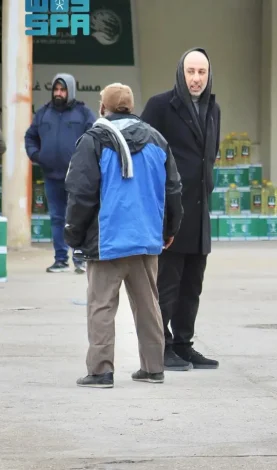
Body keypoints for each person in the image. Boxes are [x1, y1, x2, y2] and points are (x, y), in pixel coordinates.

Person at [64, 83, 183, 388]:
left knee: (101, 305)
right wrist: (169, 229)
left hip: (107, 242)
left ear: (103, 107)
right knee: (148, 305)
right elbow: (172, 189)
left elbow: (81, 193)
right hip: (145, 240)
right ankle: (153, 368)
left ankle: (101, 371)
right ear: (131, 107)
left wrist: (74, 234)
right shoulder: (157, 139)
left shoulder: (94, 139)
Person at [141, 48, 221, 371]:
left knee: (192, 285)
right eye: (191, 71)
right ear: (180, 72)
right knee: (167, 284)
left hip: (200, 211)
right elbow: (145, 156)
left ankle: (183, 344)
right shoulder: (160, 106)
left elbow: (209, 155)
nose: (196, 78)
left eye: (202, 72)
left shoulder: (213, 109)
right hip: (170, 210)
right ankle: (161, 346)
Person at [25, 73, 95, 274]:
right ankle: (60, 260)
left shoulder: (83, 113)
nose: (58, 93)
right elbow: (30, 137)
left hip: (76, 177)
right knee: (57, 218)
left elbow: (94, 137)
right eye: (56, 89)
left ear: (70, 91)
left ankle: (79, 260)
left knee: (78, 217)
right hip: (51, 175)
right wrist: (37, 155)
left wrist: (84, 162)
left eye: (62, 90)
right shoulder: (43, 113)